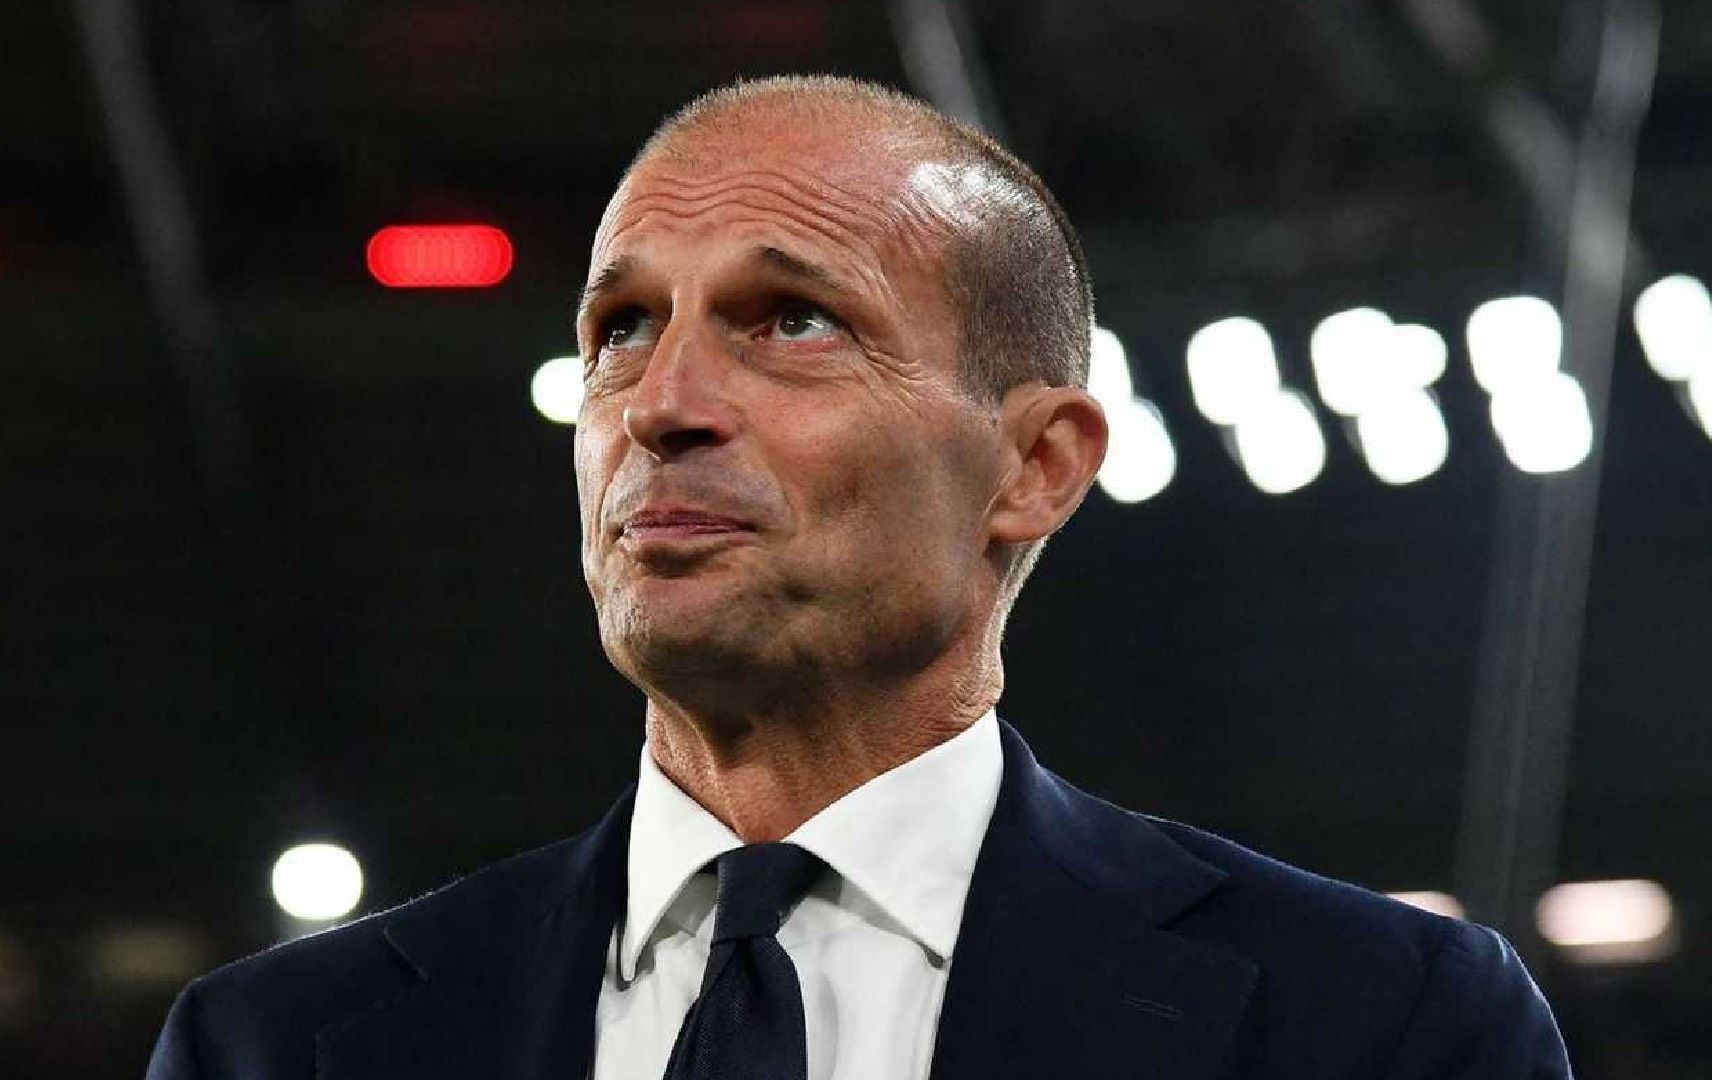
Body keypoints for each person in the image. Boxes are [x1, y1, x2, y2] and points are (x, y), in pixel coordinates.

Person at [145, 74, 1572, 1079]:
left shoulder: (1377, 1028)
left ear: (1036, 467)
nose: (662, 403)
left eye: (791, 322)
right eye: (622, 327)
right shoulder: (273, 1050)